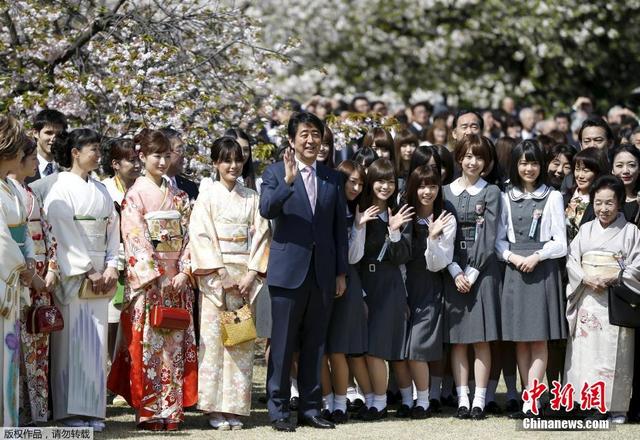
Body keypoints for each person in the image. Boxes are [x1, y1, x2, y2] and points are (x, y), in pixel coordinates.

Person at [259, 111, 348, 432]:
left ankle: (311, 408)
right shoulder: (273, 173)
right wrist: (288, 181)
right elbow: (267, 209)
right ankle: (278, 409)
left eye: (315, 134)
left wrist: (340, 273)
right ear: (291, 140)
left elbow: (340, 230)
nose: (310, 141)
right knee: (282, 346)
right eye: (304, 135)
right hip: (287, 273)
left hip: (322, 274)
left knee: (315, 344)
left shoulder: (332, 178)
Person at [107, 129, 197, 431]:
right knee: (149, 348)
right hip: (151, 284)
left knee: (173, 346)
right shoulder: (134, 195)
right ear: (142, 156)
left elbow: (189, 238)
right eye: (155, 155)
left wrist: (184, 270)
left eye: (166, 154)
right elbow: (134, 237)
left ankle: (171, 411)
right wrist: (154, 276)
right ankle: (149, 411)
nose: (162, 160)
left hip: (177, 282)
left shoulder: (180, 196)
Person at [189, 136, 271, 430]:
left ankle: (235, 407)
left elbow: (262, 237)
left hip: (245, 278)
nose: (233, 166)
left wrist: (251, 275)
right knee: (213, 343)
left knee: (240, 341)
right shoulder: (207, 197)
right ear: (215, 164)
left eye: (238, 160)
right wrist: (221, 274)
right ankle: (213, 407)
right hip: (216, 278)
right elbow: (199, 236)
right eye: (226, 160)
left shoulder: (252, 197)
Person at [43, 128, 119, 431]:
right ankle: (70, 411)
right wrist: (89, 269)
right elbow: (63, 233)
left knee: (97, 342)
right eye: (93, 149)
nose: (98, 155)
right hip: (76, 273)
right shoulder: (60, 188)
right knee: (74, 340)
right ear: (75, 152)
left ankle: (93, 410)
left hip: (101, 268)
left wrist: (112, 264)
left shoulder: (101, 189)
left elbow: (113, 227)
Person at [495, 140, 568, 417]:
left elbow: (560, 243)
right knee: (520, 340)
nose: (529, 168)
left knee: (538, 339)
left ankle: (532, 399)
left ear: (542, 166)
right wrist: (513, 258)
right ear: (515, 165)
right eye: (524, 162)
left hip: (542, 269)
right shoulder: (505, 195)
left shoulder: (553, 196)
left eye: (534, 162)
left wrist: (537, 256)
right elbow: (498, 241)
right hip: (515, 269)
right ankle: (530, 397)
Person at [564, 175, 640, 424]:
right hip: (587, 297)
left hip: (615, 299)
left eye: (609, 203)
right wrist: (585, 278)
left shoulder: (631, 232)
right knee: (587, 353)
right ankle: (588, 404)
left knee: (615, 353)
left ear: (619, 203)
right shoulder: (585, 230)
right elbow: (572, 260)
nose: (603, 209)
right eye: (598, 203)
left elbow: (637, 266)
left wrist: (615, 275)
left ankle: (616, 407)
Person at [442, 134, 502, 420]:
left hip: (483, 271)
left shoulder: (491, 192)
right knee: (458, 340)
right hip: (451, 268)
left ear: (486, 163)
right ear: (459, 158)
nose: (472, 161)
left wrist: (473, 271)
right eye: (467, 155)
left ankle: (479, 399)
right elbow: (440, 236)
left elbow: (489, 234)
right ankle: (462, 398)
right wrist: (454, 269)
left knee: (481, 339)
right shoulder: (444, 192)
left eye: (478, 157)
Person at [356, 158, 413, 420]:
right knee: (367, 347)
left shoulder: (399, 213)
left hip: (390, 285)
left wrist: (394, 231)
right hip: (365, 284)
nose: (385, 186)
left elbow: (402, 256)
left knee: (386, 349)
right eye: (380, 180)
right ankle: (376, 399)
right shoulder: (360, 210)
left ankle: (385, 403)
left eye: (390, 181)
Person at [8, 135, 58, 425]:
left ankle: (38, 410)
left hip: (41, 276)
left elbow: (49, 235)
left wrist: (52, 268)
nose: (36, 162)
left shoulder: (31, 193)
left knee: (39, 341)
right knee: (19, 341)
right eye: (31, 157)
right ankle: (20, 410)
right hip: (20, 276)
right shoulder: (9, 193)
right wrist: (31, 275)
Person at [403, 165, 456, 418]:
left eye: (433, 186)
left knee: (417, 347)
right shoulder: (404, 216)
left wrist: (432, 237)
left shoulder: (446, 218)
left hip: (430, 288)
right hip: (402, 288)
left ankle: (423, 401)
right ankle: (408, 398)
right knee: (402, 349)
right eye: (422, 186)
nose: (427, 191)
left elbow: (438, 263)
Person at [322, 160, 372, 423]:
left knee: (339, 348)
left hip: (345, 281)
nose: (355, 187)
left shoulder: (356, 212)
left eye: (360, 183)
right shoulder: (327, 203)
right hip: (319, 279)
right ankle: (327, 400)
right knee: (320, 347)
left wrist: (358, 226)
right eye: (351, 181)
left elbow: (353, 256)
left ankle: (340, 403)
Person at [0, 116, 35, 427]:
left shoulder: (10, 186)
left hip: (11, 279)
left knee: (9, 355)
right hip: (4, 278)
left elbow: (21, 231)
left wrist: (29, 259)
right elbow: (1, 240)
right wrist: (24, 268)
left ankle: (8, 424)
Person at [100, 137, 140, 407]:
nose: (137, 164)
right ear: (115, 164)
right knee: (109, 325)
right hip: (111, 264)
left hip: (139, 266)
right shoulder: (103, 190)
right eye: (131, 160)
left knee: (130, 327)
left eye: (139, 159)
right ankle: (105, 381)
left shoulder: (142, 189)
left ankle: (124, 381)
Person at [564, 148, 608, 240]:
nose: (580, 176)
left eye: (586, 170)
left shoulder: (602, 202)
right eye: (577, 169)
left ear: (598, 173)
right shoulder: (565, 198)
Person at [26, 109, 67, 184]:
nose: (53, 139)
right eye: (49, 133)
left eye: (58, 134)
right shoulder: (23, 167)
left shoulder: (66, 169)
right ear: (35, 133)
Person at [161, 128, 199, 200]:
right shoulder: (150, 185)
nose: (182, 155)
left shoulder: (190, 186)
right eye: (179, 150)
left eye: (183, 150)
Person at [394, 129, 418, 195]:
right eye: (404, 146)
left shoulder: (419, 169)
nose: (409, 150)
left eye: (412, 145)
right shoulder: (392, 170)